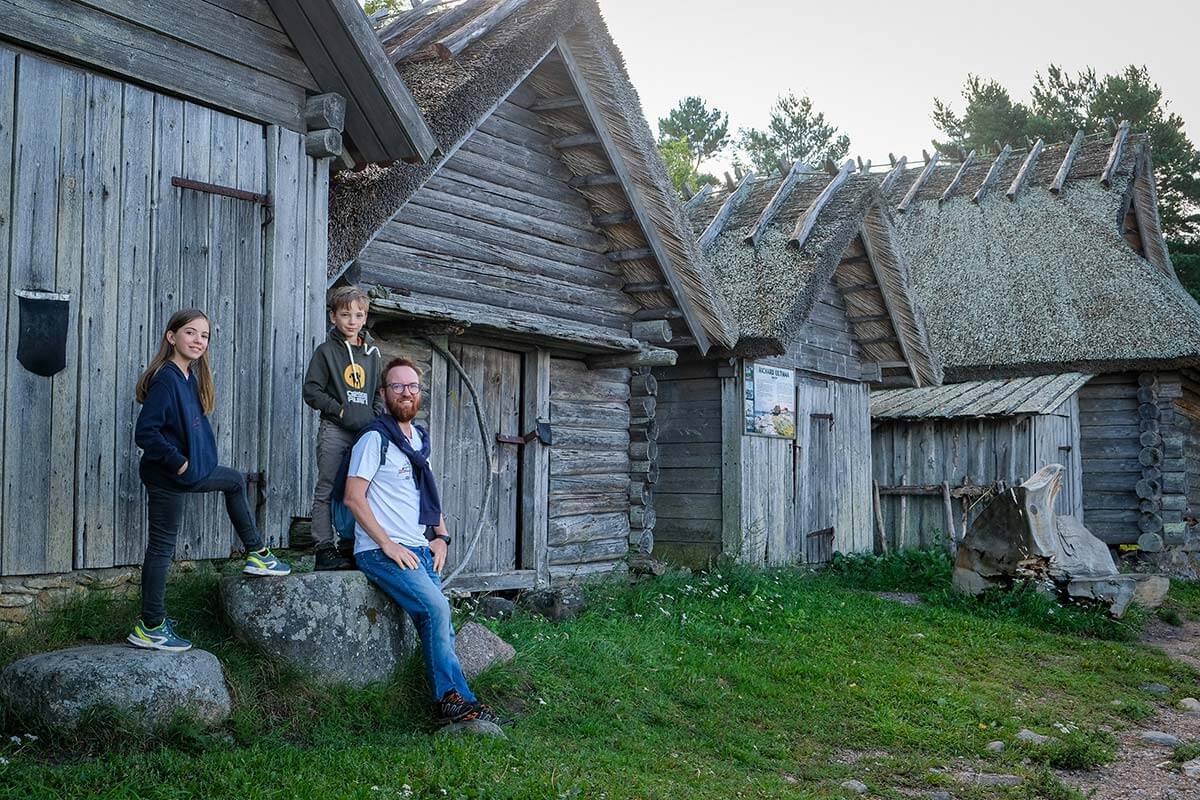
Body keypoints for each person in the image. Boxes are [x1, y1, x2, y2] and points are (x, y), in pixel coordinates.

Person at [345, 357, 503, 726]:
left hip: (418, 548)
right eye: (397, 386)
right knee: (437, 610)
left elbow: (425, 498)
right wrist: (386, 544)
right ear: (383, 394)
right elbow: (354, 497)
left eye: (413, 386)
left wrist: (441, 536)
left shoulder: (417, 442)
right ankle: (451, 700)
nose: (406, 392)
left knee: (440, 620)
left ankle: (459, 701)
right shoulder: (374, 439)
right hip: (382, 552)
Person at [129, 309, 291, 653]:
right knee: (161, 547)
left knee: (233, 481)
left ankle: (258, 554)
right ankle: (151, 625)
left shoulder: (188, 377)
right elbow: (146, 432)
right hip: (169, 476)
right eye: (191, 333)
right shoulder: (166, 378)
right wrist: (180, 464)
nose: (198, 340)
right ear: (172, 337)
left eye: (204, 336)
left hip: (188, 471)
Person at [303, 286, 385, 570]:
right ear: (333, 317)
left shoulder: (373, 354)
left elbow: (377, 392)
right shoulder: (326, 352)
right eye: (345, 314)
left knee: (358, 489)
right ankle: (324, 548)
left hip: (365, 433)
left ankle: (351, 545)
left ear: (365, 318)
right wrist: (339, 410)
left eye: (358, 314)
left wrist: (374, 418)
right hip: (335, 431)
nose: (352, 320)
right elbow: (311, 390)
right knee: (327, 488)